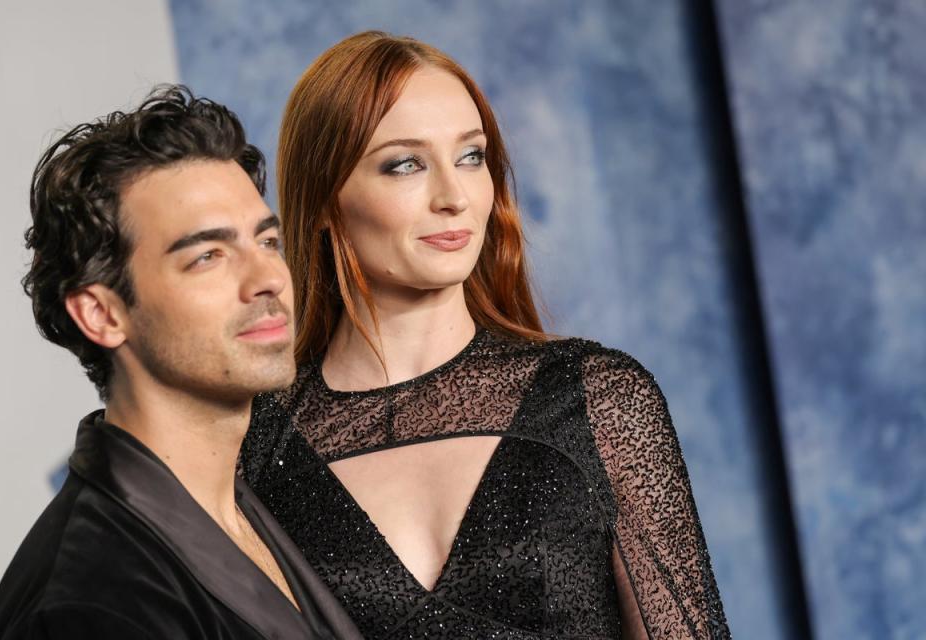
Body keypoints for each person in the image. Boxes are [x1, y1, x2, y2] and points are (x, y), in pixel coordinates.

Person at [242, 32, 730, 639]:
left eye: (471, 157)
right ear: (323, 200)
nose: (454, 197)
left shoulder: (595, 398)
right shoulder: (255, 444)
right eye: (405, 164)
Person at [0, 86, 361, 640]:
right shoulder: (89, 601)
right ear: (102, 314)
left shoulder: (255, 508)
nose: (268, 280)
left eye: (268, 241)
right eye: (208, 256)